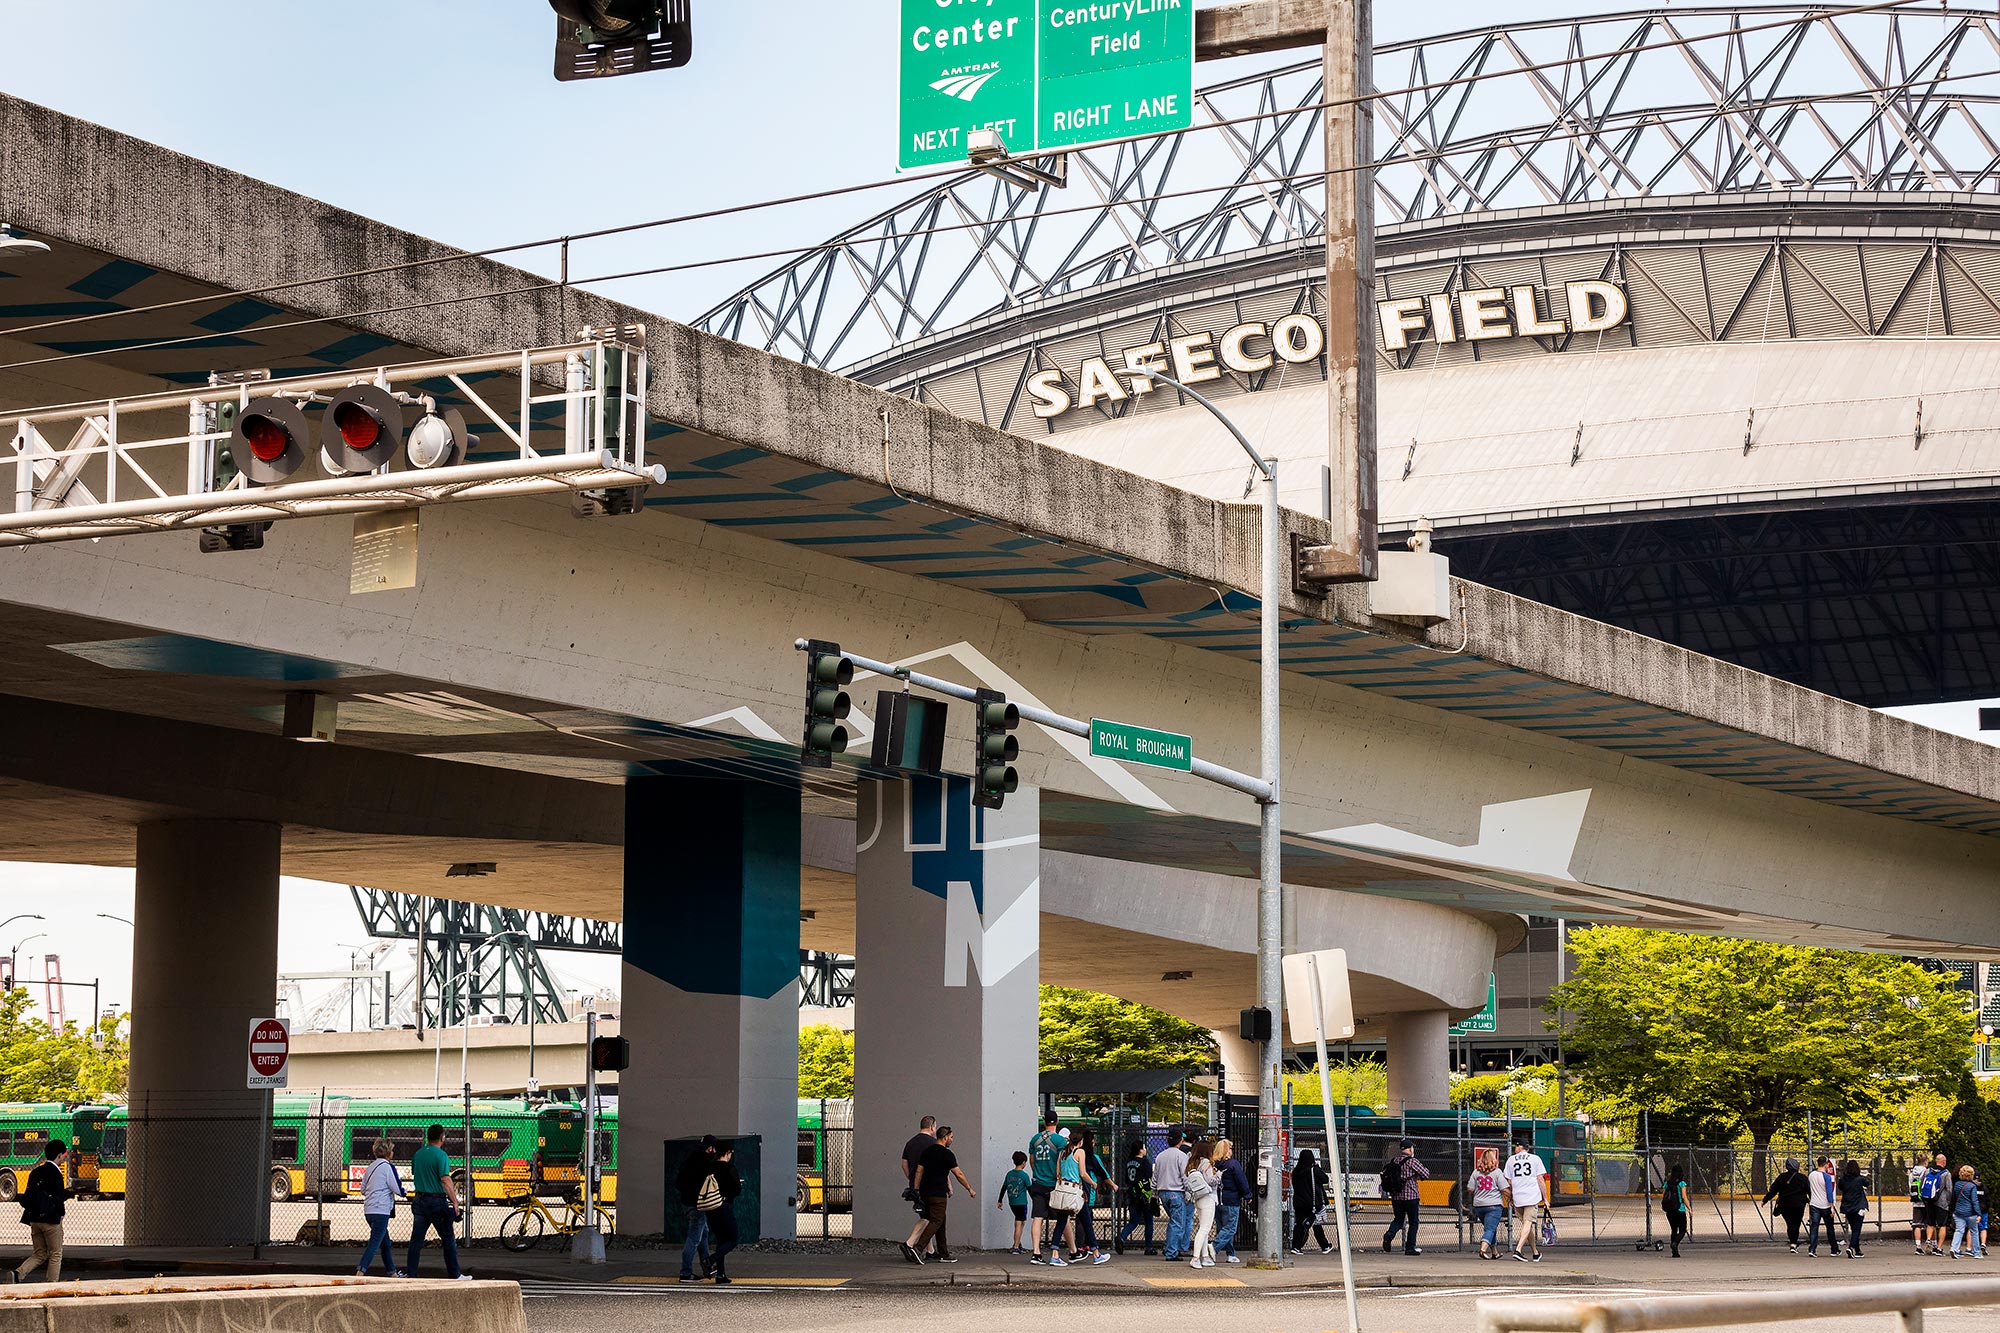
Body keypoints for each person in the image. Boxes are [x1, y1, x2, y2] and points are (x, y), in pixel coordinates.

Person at [903, 1125, 973, 1265]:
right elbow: (958, 1174)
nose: (952, 1140)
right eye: (951, 1137)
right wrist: (969, 1188)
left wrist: (916, 1190)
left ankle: (943, 1254)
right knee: (936, 1221)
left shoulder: (927, 1152)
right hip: (938, 1194)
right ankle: (918, 1249)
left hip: (925, 1192)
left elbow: (918, 1172)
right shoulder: (947, 1154)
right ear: (945, 1137)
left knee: (941, 1221)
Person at [405, 1125, 467, 1281]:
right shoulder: (441, 1156)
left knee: (416, 1240)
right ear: (442, 1137)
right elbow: (445, 1179)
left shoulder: (418, 1154)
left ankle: (411, 1273)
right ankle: (455, 1274)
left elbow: (415, 1173)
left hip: (419, 1200)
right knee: (448, 1238)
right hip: (436, 1201)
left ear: (427, 1137)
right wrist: (455, 1201)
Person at [11, 1139, 68, 1285]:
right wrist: (61, 1215)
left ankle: (18, 1273)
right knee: (55, 1253)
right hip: (50, 1220)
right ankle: (51, 1284)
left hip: (34, 1219)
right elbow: (58, 1198)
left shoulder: (36, 1171)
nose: (65, 1157)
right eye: (64, 1154)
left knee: (40, 1253)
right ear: (59, 1155)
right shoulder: (56, 1173)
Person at [356, 1138, 406, 1278]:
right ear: (388, 1152)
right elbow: (397, 1188)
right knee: (374, 1243)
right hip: (381, 1211)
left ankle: (393, 1273)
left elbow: (363, 1189)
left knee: (385, 1243)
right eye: (392, 1150)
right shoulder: (388, 1167)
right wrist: (405, 1193)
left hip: (369, 1210)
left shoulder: (371, 1167)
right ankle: (360, 1271)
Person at [676, 1136, 722, 1283]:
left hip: (687, 1202)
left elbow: (678, 1183)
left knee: (704, 1233)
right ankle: (686, 1273)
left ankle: (707, 1267)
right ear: (710, 1148)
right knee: (694, 1238)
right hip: (698, 1205)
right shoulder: (706, 1164)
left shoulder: (689, 1160)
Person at [1503, 1135, 1549, 1263]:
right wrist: (1545, 1198)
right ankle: (1518, 1250)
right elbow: (1540, 1179)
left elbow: (1509, 1180)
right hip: (1531, 1196)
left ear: (1519, 1147)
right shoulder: (1535, 1159)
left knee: (1526, 1225)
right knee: (1528, 1223)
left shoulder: (1511, 1160)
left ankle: (1535, 1252)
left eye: (1516, 1146)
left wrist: (1512, 1195)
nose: (1514, 1149)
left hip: (1518, 1197)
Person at [1382, 1139, 1431, 1256]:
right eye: (1412, 1148)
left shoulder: (1394, 1161)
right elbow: (1426, 1174)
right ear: (1410, 1149)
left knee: (1398, 1220)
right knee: (1413, 1222)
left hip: (1396, 1197)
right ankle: (1410, 1248)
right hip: (1411, 1196)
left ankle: (1389, 1234)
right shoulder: (1412, 1161)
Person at [702, 1145, 743, 1283]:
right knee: (732, 1239)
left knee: (721, 1240)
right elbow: (737, 1190)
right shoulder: (729, 1168)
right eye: (731, 1152)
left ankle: (721, 1274)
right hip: (724, 1206)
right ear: (727, 1152)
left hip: (710, 1207)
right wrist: (738, 1183)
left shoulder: (709, 1167)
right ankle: (710, 1260)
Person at [1027, 1113, 1065, 1263]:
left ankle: (1036, 1252)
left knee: (1037, 1217)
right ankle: (1072, 1250)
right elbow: (1061, 1162)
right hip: (1053, 1184)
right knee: (1063, 1217)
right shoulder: (1060, 1140)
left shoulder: (1034, 1139)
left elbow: (1032, 1160)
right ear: (1057, 1121)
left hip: (1038, 1183)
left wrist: (1037, 1174)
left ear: (1043, 1122)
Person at [1071, 1131, 1113, 1264]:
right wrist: (1111, 1185)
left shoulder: (1069, 1155)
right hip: (1087, 1192)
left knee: (1081, 1220)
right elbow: (1102, 1172)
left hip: (1076, 1191)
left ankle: (1083, 1246)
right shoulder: (1090, 1157)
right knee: (1087, 1220)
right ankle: (1088, 1248)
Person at [1152, 1129, 1192, 1261]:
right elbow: (1184, 1176)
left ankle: (1168, 1247)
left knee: (1173, 1222)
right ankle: (1171, 1251)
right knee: (1177, 1223)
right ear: (1180, 1140)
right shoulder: (1181, 1156)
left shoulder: (1160, 1156)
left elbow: (1155, 1176)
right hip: (1176, 1192)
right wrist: (1190, 1190)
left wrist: (1154, 1192)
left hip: (1163, 1192)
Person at [902, 1116, 938, 1257]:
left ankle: (930, 1251)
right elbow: (938, 1165)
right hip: (929, 1185)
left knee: (924, 1214)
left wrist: (911, 1178)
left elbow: (904, 1164)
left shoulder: (910, 1143)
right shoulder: (934, 1143)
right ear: (932, 1127)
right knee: (928, 1217)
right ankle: (909, 1244)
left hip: (914, 1186)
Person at [1213, 1138, 1251, 1265]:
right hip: (1231, 1199)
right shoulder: (1233, 1164)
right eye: (1230, 1148)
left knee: (1222, 1228)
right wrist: (1247, 1195)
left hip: (1217, 1200)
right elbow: (1242, 1181)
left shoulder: (1214, 1164)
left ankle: (1231, 1254)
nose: (1231, 1151)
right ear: (1226, 1150)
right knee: (1230, 1229)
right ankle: (1213, 1248)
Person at [1117, 1141, 1157, 1255]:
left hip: (1132, 1194)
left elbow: (1126, 1178)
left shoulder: (1129, 1162)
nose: (1145, 1149)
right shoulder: (1145, 1162)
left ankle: (1122, 1237)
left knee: (1133, 1220)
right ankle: (1148, 1247)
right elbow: (1150, 1176)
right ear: (1140, 1150)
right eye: (1144, 1147)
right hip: (1144, 1194)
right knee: (1149, 1221)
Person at [1290, 1148, 1332, 1255]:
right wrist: (1317, 1167)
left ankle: (1297, 1246)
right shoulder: (1314, 1170)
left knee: (1299, 1224)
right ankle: (1322, 1245)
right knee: (1316, 1224)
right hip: (1312, 1203)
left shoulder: (1296, 1172)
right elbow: (1325, 1179)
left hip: (1299, 1202)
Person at [1763, 1158, 1810, 1252]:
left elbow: (1773, 1190)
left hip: (1785, 1204)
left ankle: (1792, 1241)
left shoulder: (1782, 1177)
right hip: (1799, 1204)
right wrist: (1812, 1201)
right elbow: (1809, 1190)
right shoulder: (1802, 1178)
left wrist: (1766, 1199)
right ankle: (1794, 1243)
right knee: (1796, 1223)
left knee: (1789, 1223)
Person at [1185, 1139, 1219, 1270]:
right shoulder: (1207, 1164)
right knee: (1204, 1229)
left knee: (1202, 1228)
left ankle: (1205, 1256)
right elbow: (1211, 1180)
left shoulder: (1194, 1163)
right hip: (1208, 1198)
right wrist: (1219, 1175)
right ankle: (1195, 1258)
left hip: (1198, 1198)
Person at [1467, 1147, 1506, 1260]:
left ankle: (1494, 1252)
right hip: (1494, 1205)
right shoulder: (1497, 1172)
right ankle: (1483, 1250)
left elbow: (1470, 1188)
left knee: (1490, 1228)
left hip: (1479, 1205)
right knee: (1490, 1229)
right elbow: (1504, 1188)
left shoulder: (1476, 1172)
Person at [1919, 1152, 1952, 1255]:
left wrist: (1925, 1198)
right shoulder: (1946, 1173)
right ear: (1943, 1162)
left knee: (1930, 1223)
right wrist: (1948, 1201)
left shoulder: (1928, 1171)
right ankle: (1939, 1248)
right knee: (1942, 1225)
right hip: (1941, 1202)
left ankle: (1929, 1239)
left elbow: (1921, 1184)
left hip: (1929, 1200)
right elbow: (1949, 1189)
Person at [1000, 1151, 1032, 1254]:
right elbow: (1030, 1189)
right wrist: (1036, 1200)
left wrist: (1000, 1200)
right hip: (1021, 1202)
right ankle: (1016, 1246)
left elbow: (1004, 1187)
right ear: (1023, 1162)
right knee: (1019, 1223)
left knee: (1021, 1222)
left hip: (1012, 1202)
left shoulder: (1009, 1174)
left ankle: (1018, 1243)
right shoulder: (1024, 1175)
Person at [1806, 1156, 1839, 1257]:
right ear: (1826, 1164)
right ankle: (1834, 1249)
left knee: (1814, 1227)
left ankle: (1812, 1249)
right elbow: (1829, 1192)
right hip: (1825, 1205)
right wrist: (1832, 1206)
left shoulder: (1811, 1175)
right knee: (1829, 1227)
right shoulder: (1826, 1177)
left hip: (1814, 1204)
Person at [1840, 1159, 1872, 1258]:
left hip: (1848, 1207)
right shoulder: (1860, 1179)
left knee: (1853, 1228)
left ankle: (1858, 1250)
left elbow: (1840, 1187)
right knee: (1857, 1229)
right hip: (1859, 1206)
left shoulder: (1843, 1180)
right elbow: (1867, 1182)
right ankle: (1851, 1247)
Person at [1949, 1164, 1981, 1258]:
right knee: (1974, 1231)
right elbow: (1974, 1201)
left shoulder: (1957, 1185)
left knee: (1959, 1230)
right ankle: (1976, 1253)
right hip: (1970, 1212)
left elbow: (1954, 1198)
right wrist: (1978, 1213)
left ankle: (1954, 1248)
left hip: (1959, 1211)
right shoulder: (1972, 1186)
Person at [1662, 1163, 1690, 1258]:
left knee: (1674, 1229)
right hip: (1679, 1209)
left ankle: (1675, 1252)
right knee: (1683, 1230)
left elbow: (1664, 1196)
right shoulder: (1682, 1183)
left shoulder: (1667, 1183)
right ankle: (1675, 1243)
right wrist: (1689, 1208)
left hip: (1670, 1210)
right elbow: (1684, 1197)